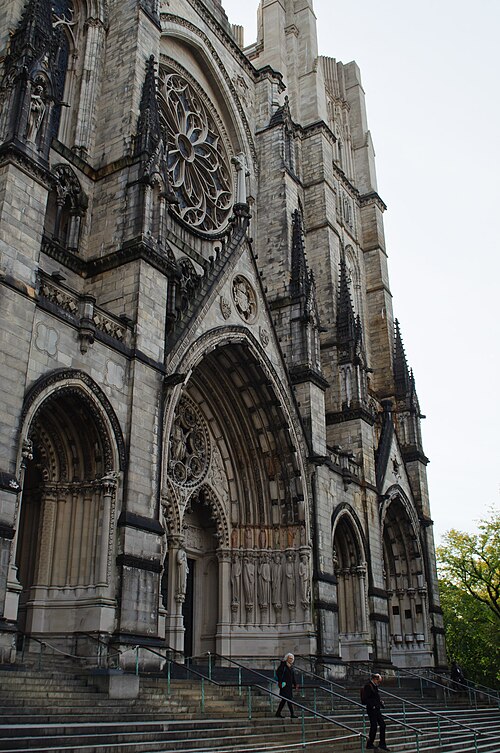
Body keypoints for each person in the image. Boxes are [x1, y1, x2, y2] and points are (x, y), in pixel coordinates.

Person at [362, 673, 389, 751]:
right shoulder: (368, 686)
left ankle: (382, 743)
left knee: (382, 725)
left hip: (377, 709)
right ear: (375, 679)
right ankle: (370, 744)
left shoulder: (374, 686)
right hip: (372, 709)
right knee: (374, 726)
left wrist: (380, 702)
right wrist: (373, 705)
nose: (379, 683)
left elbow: (375, 697)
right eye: (379, 681)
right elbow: (366, 699)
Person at [275, 652, 298, 718]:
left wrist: (295, 684)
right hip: (284, 685)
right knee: (288, 699)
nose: (291, 660)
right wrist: (281, 682)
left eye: (292, 659)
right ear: (286, 658)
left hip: (289, 686)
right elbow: (279, 674)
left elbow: (292, 677)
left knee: (284, 700)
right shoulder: (283, 666)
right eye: (290, 658)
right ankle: (292, 714)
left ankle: (278, 713)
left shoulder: (291, 667)